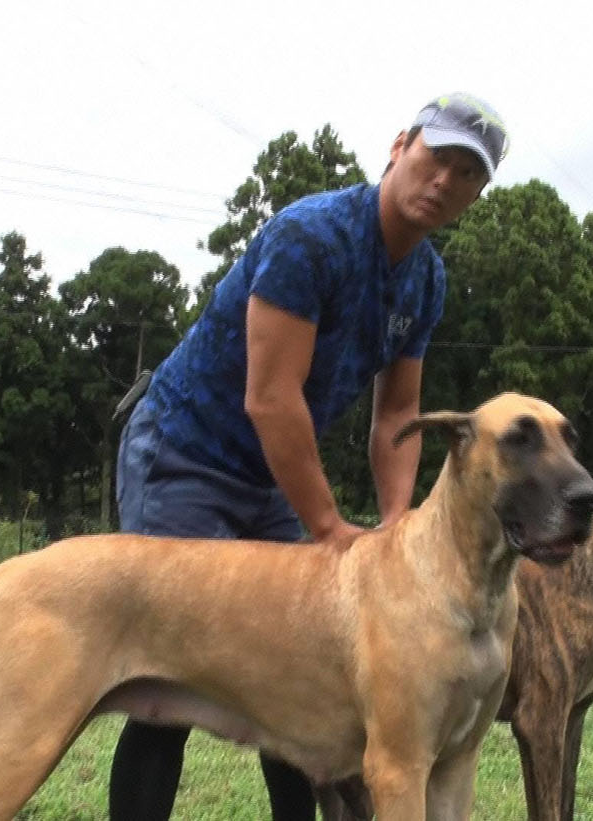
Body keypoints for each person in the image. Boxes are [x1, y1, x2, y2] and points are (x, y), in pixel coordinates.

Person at [108, 92, 508, 820]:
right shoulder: (311, 237)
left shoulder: (425, 280)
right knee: (165, 676)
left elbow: (398, 413)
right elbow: (270, 398)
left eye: (468, 174)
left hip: (271, 474)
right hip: (185, 451)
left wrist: (395, 522)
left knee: (293, 683)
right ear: (400, 146)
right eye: (437, 157)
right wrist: (327, 526)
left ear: (477, 194)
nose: (445, 181)